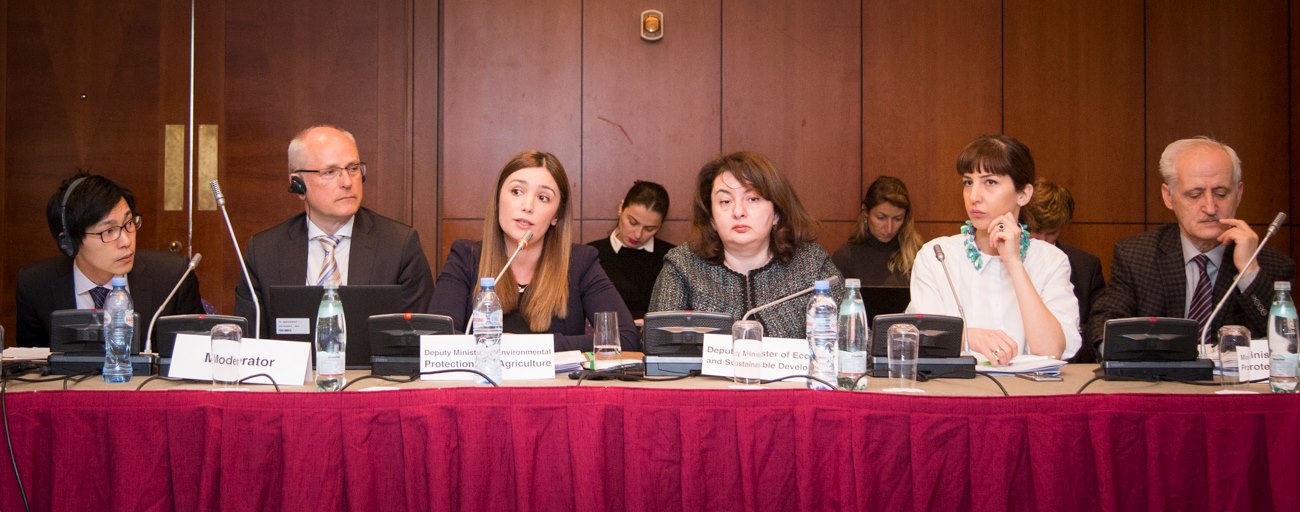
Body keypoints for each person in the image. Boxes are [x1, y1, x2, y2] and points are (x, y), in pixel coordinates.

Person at [1087, 137, 1295, 354]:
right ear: (1169, 197)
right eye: (1195, 195)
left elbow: (1286, 343)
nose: (1210, 207)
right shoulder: (1136, 256)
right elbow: (1105, 322)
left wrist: (1249, 273)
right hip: (1160, 374)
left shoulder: (1272, 266)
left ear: (1238, 194)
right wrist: (1118, 353)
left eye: (1221, 193)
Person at [428, 150, 639, 351]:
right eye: (517, 191)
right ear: (498, 199)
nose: (528, 206)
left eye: (543, 197)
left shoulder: (580, 262)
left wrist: (529, 347)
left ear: (556, 216)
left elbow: (625, 338)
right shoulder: (466, 258)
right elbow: (435, 340)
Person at [235, 125, 435, 334]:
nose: (347, 182)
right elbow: (250, 340)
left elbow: (418, 337)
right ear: (297, 184)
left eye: (353, 168)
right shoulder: (264, 252)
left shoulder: (398, 245)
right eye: (330, 172)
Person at [908, 135, 1081, 363]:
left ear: (1023, 194)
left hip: (1026, 385)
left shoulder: (1051, 260)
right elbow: (922, 337)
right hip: (956, 383)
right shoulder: (937, 255)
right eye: (968, 182)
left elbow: (1050, 350)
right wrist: (967, 337)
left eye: (990, 182)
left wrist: (1014, 263)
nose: (974, 197)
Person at [649, 151, 844, 338]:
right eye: (725, 201)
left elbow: (850, 342)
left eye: (752, 199)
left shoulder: (811, 264)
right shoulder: (683, 266)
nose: (738, 212)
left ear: (777, 213)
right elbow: (658, 345)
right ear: (712, 219)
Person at [16, 172, 204, 346]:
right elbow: (32, 364)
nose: (126, 241)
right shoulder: (35, 286)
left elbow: (198, 355)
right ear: (70, 242)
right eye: (108, 231)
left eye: (129, 223)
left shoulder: (174, 277)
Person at [1022, 178, 1106, 363]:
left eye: (1051, 233)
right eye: (1035, 231)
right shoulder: (1000, 260)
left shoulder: (1086, 267)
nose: (1042, 241)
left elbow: (1094, 333)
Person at [587, 181, 675, 319]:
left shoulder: (673, 258)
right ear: (621, 208)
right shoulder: (592, 254)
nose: (638, 234)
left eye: (650, 229)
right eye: (633, 222)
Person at [832, 176, 923, 286]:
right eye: (881, 217)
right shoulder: (846, 257)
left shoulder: (920, 255)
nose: (889, 228)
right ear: (865, 212)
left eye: (898, 219)